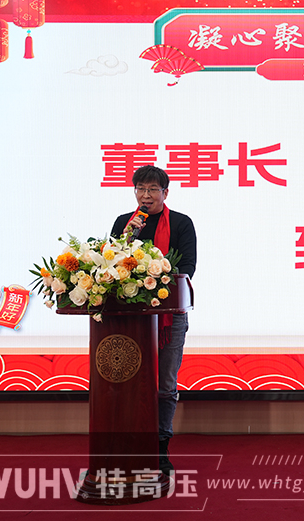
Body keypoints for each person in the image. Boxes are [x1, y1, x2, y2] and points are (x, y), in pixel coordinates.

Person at [111, 165, 197, 474]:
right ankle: (129, 443)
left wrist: (155, 278)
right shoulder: (124, 223)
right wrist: (126, 239)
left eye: (152, 190)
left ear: (165, 193)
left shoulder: (181, 223)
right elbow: (110, 264)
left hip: (169, 316)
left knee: (165, 385)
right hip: (130, 318)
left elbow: (188, 266)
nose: (145, 196)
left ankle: (160, 448)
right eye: (140, 189)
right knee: (130, 383)